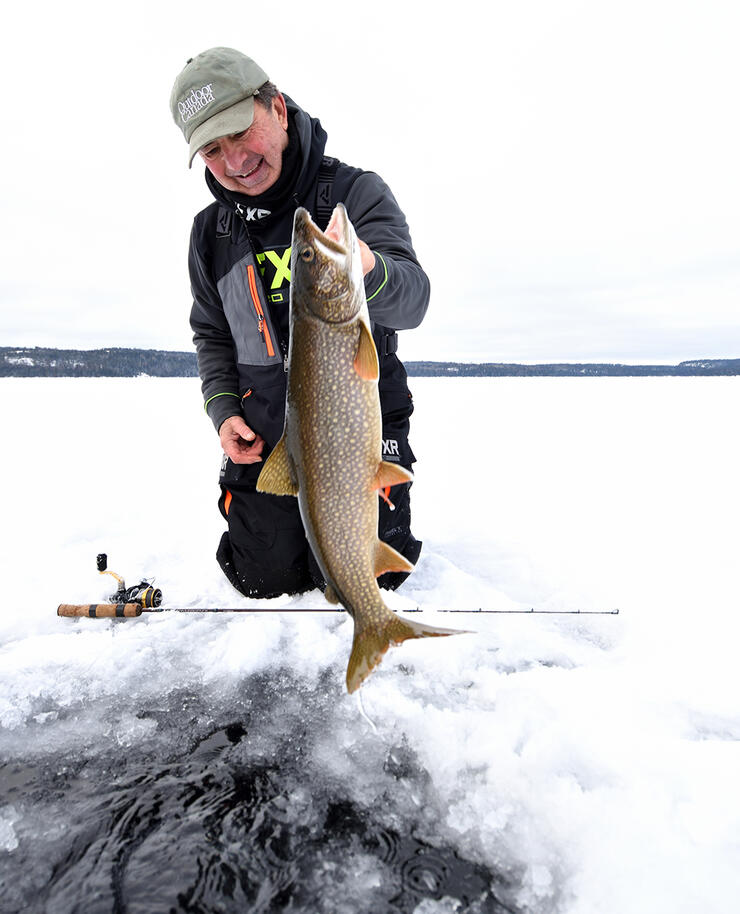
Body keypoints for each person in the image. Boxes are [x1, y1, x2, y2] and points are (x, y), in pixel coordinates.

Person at [169, 47, 429, 599]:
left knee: (379, 576)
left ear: (278, 109)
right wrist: (222, 411)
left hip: (358, 431)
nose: (234, 160)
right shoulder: (209, 233)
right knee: (263, 579)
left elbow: (413, 299)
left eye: (241, 133)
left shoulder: (354, 194)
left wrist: (368, 270)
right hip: (267, 438)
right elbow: (211, 334)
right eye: (213, 150)